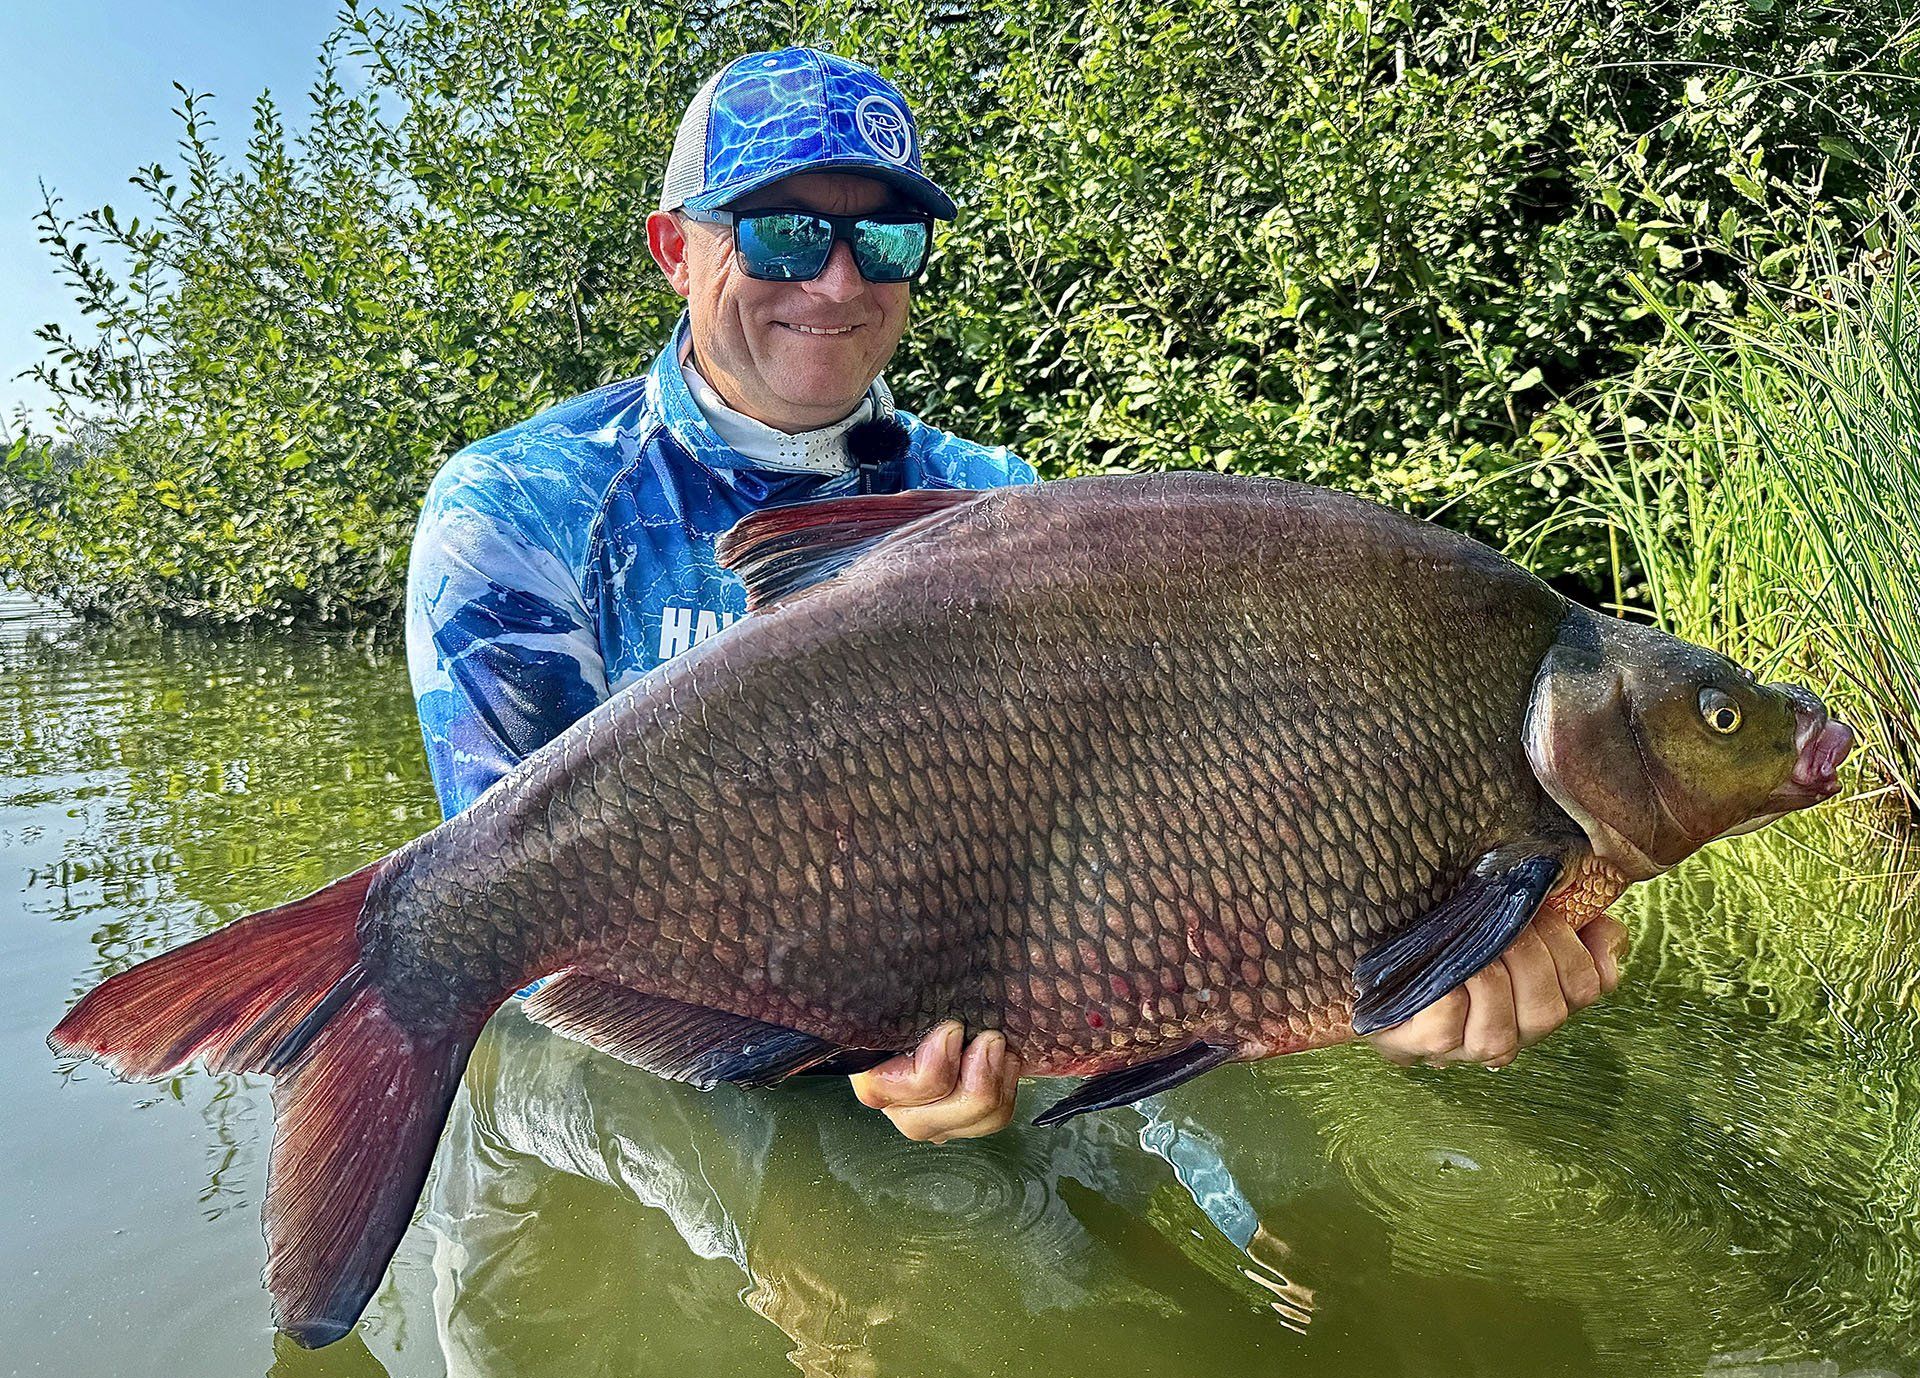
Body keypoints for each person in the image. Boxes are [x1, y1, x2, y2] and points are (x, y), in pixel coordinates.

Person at [404, 46, 1626, 1146]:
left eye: (882, 240)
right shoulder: (519, 508)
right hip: (590, 1108)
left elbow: (1137, 869)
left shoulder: (997, 506)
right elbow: (515, 947)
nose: (836, 282)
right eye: (783, 232)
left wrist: (1394, 981)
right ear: (677, 248)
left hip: (922, 1074)